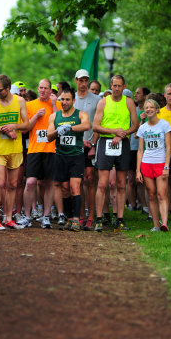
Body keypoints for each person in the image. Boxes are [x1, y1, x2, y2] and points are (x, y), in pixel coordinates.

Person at [93, 74, 139, 232]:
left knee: (121, 184)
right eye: (114, 85)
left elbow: (136, 125)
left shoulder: (129, 103)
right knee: (102, 183)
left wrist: (123, 134)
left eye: (120, 86)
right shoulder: (103, 102)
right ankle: (99, 219)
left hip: (123, 143)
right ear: (110, 86)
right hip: (106, 142)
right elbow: (95, 126)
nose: (117, 88)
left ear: (124, 86)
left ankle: (119, 219)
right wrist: (114, 132)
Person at [0, 74, 29, 230]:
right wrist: (2, 129)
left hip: (15, 148)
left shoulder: (20, 101)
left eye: (0, 90)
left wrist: (14, 127)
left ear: (8, 88)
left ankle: (8, 218)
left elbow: (26, 124)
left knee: (12, 185)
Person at [17, 78, 61, 229]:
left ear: (50, 90)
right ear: (38, 89)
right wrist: (35, 116)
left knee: (49, 183)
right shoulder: (30, 105)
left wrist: (54, 105)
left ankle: (46, 217)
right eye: (40, 88)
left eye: (45, 88)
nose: (42, 90)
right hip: (34, 149)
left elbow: (59, 124)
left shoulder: (57, 104)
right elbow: (23, 129)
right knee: (30, 183)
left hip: (51, 149)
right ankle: (27, 216)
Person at [47, 87, 90, 231]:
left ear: (73, 100)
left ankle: (77, 219)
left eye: (67, 99)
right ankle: (69, 218)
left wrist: (70, 128)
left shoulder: (80, 114)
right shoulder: (54, 116)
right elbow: (48, 136)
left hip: (76, 155)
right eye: (62, 99)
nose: (64, 102)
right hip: (60, 155)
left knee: (74, 187)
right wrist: (57, 131)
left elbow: (86, 125)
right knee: (64, 188)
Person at [136, 99, 171, 231]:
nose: (149, 109)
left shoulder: (164, 125)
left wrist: (167, 166)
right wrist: (138, 171)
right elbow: (140, 150)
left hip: (161, 163)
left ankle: (164, 223)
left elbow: (168, 148)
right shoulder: (143, 127)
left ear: (157, 110)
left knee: (162, 194)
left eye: (151, 107)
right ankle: (156, 225)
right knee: (151, 194)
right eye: (146, 108)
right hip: (146, 163)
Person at [74, 69, 100, 230]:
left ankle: (91, 216)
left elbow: (97, 124)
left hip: (90, 145)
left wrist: (94, 144)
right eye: (81, 80)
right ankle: (81, 215)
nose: (83, 83)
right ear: (76, 80)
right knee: (78, 180)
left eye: (86, 80)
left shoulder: (97, 99)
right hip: (75, 145)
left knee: (90, 179)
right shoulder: (71, 98)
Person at [158, 83, 171, 211]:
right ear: (164, 95)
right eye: (169, 94)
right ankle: (166, 211)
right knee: (166, 183)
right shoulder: (160, 113)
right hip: (164, 153)